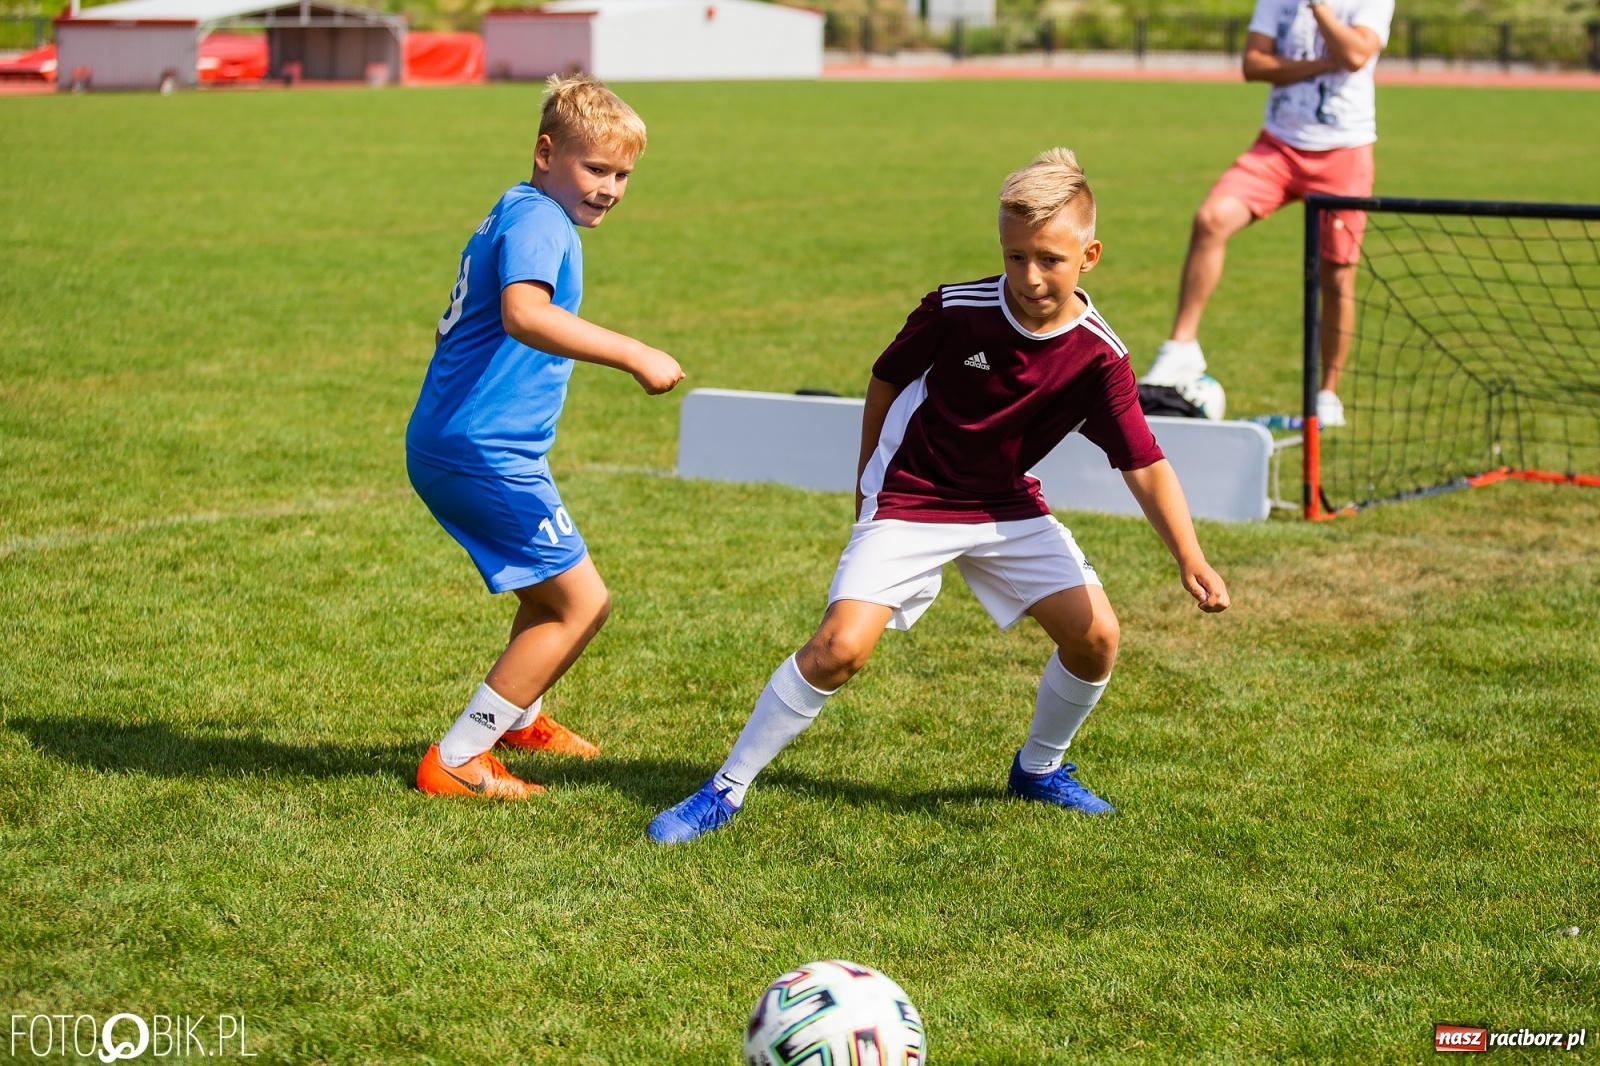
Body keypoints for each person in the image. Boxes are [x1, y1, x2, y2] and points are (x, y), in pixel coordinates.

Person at [647, 148, 1231, 844]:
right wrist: (867, 479)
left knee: (1097, 638)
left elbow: (1144, 462)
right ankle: (725, 789)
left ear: (1090, 256)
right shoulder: (955, 309)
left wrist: (1190, 556)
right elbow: (886, 380)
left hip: (1004, 504)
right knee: (839, 649)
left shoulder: (1100, 357)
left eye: (1050, 259)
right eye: (1015, 257)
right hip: (913, 494)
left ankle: (1039, 769)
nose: (1029, 276)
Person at [406, 74, 685, 799]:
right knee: (581, 604)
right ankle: (459, 758)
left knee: (545, 596)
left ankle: (519, 719)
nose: (610, 188)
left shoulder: (521, 207)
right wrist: (633, 352)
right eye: (595, 168)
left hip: (466, 443)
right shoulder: (541, 223)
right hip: (482, 451)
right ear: (544, 152)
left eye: (623, 175)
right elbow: (523, 314)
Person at [1142, 0, 1394, 428]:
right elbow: (1254, 64)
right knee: (1211, 219)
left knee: (1337, 273)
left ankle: (1327, 395)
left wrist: (1319, 7)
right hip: (1277, 147)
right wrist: (1322, 64)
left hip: (1343, 151)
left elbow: (1354, 55)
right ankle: (1180, 348)